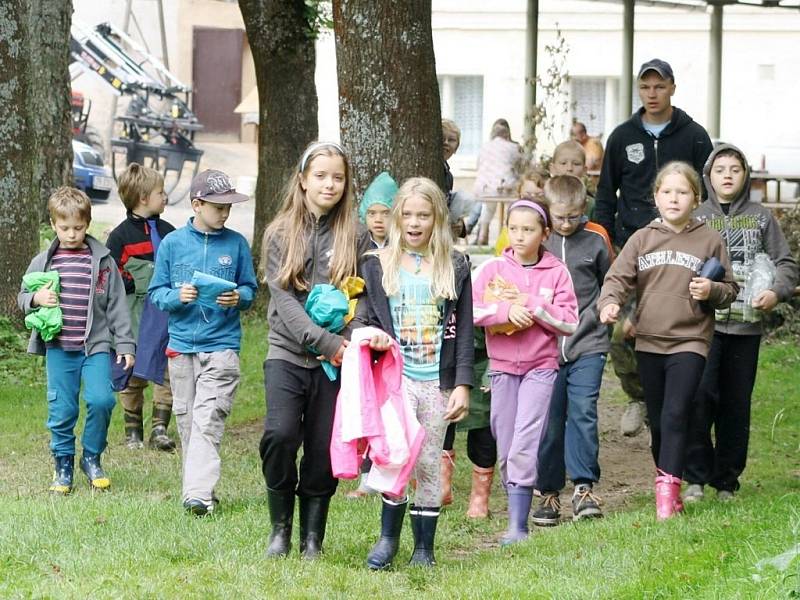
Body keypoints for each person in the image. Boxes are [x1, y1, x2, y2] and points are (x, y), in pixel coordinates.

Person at [598, 161, 738, 520]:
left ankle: (666, 500)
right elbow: (618, 278)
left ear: (696, 197)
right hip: (648, 341)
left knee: (677, 413)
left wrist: (712, 289)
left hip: (690, 339)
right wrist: (610, 302)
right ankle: (669, 482)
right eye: (666, 191)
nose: (674, 198)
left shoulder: (708, 238)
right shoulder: (643, 237)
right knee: (660, 421)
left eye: (682, 192)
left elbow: (730, 290)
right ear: (655, 196)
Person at [259, 142, 371, 559]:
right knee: (281, 435)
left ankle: (312, 539)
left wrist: (347, 340)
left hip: (338, 362)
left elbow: (366, 298)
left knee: (325, 447)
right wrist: (325, 343)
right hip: (288, 354)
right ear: (303, 179)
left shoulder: (356, 234)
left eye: (337, 177)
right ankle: (280, 529)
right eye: (321, 175)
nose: (329, 184)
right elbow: (284, 302)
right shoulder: (279, 233)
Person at [594, 58, 714, 437]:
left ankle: (674, 400)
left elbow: (708, 194)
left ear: (672, 88)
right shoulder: (622, 136)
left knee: (676, 328)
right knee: (620, 331)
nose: (652, 93)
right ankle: (638, 396)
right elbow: (604, 194)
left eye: (659, 86)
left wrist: (704, 238)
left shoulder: (693, 136)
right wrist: (606, 241)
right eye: (645, 86)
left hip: (683, 250)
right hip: (633, 245)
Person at [360, 177, 473, 569]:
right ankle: (388, 540)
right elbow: (367, 316)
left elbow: (465, 328)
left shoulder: (455, 265)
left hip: (436, 381)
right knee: (395, 456)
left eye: (423, 215)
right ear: (395, 218)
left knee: (428, 462)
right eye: (406, 214)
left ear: (437, 218)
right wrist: (368, 336)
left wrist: (461, 383)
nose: (414, 222)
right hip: (397, 379)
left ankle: (424, 548)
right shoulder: (378, 264)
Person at [684, 144, 798, 502]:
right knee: (700, 397)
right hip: (704, 326)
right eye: (720, 170)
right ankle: (696, 478)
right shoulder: (696, 217)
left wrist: (777, 292)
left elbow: (786, 264)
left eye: (735, 169)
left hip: (746, 327)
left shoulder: (762, 218)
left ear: (746, 175)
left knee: (736, 403)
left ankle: (726, 481)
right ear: (708, 176)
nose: (728, 175)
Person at [149, 169, 257, 516]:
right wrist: (177, 296)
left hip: (222, 346)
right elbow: (156, 293)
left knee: (208, 419)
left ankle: (197, 494)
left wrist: (237, 297)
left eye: (229, 207)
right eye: (217, 207)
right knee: (187, 423)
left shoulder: (237, 243)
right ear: (197, 204)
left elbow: (251, 289)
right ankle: (199, 492)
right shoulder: (173, 244)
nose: (225, 213)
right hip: (181, 348)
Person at [473, 198, 578, 544]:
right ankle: (515, 506)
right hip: (502, 370)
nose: (519, 236)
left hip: (541, 368)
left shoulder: (557, 272)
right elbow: (472, 310)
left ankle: (518, 527)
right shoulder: (492, 270)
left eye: (528, 229)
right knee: (505, 444)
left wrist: (533, 306)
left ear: (544, 233)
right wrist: (504, 312)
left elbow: (569, 321)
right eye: (513, 228)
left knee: (525, 441)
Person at [18, 187, 135, 494]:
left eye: (78, 228)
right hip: (59, 347)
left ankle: (92, 457)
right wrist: (35, 298)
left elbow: (118, 305)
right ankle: (63, 464)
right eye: (64, 228)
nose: (72, 234)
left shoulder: (103, 261)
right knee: (62, 409)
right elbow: (21, 297)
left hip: (94, 346)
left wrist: (124, 344)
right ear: (53, 225)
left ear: (88, 223)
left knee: (102, 399)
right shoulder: (44, 261)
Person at [532, 175, 613, 526]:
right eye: (560, 217)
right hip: (544, 346)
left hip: (589, 342)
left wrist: (605, 310)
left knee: (583, 412)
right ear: (548, 213)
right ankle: (548, 491)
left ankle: (584, 487)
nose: (567, 224)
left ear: (585, 210)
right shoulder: (539, 240)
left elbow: (611, 280)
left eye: (574, 216)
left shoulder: (596, 238)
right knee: (550, 421)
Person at [106, 163, 176, 451]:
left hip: (167, 315)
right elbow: (109, 272)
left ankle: (160, 428)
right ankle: (132, 429)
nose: (166, 197)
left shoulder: (170, 232)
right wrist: (130, 282)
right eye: (161, 192)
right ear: (144, 198)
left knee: (168, 368)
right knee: (132, 369)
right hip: (135, 316)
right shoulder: (120, 236)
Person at [346, 171, 400, 499]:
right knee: (367, 405)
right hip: (366, 334)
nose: (379, 220)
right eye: (372, 213)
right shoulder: (356, 246)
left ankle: (398, 470)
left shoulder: (406, 246)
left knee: (395, 408)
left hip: (398, 335)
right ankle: (367, 476)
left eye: (386, 212)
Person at [470, 119, 523, 245]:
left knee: (488, 207)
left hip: (484, 188)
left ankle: (483, 235)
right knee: (514, 206)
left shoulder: (484, 146)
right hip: (506, 187)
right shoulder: (514, 147)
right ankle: (510, 237)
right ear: (507, 133)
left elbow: (479, 166)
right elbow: (521, 167)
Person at [550, 140, 596, 219]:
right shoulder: (545, 200)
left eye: (576, 164)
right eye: (563, 163)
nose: (569, 168)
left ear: (584, 170)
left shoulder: (591, 205)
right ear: (552, 168)